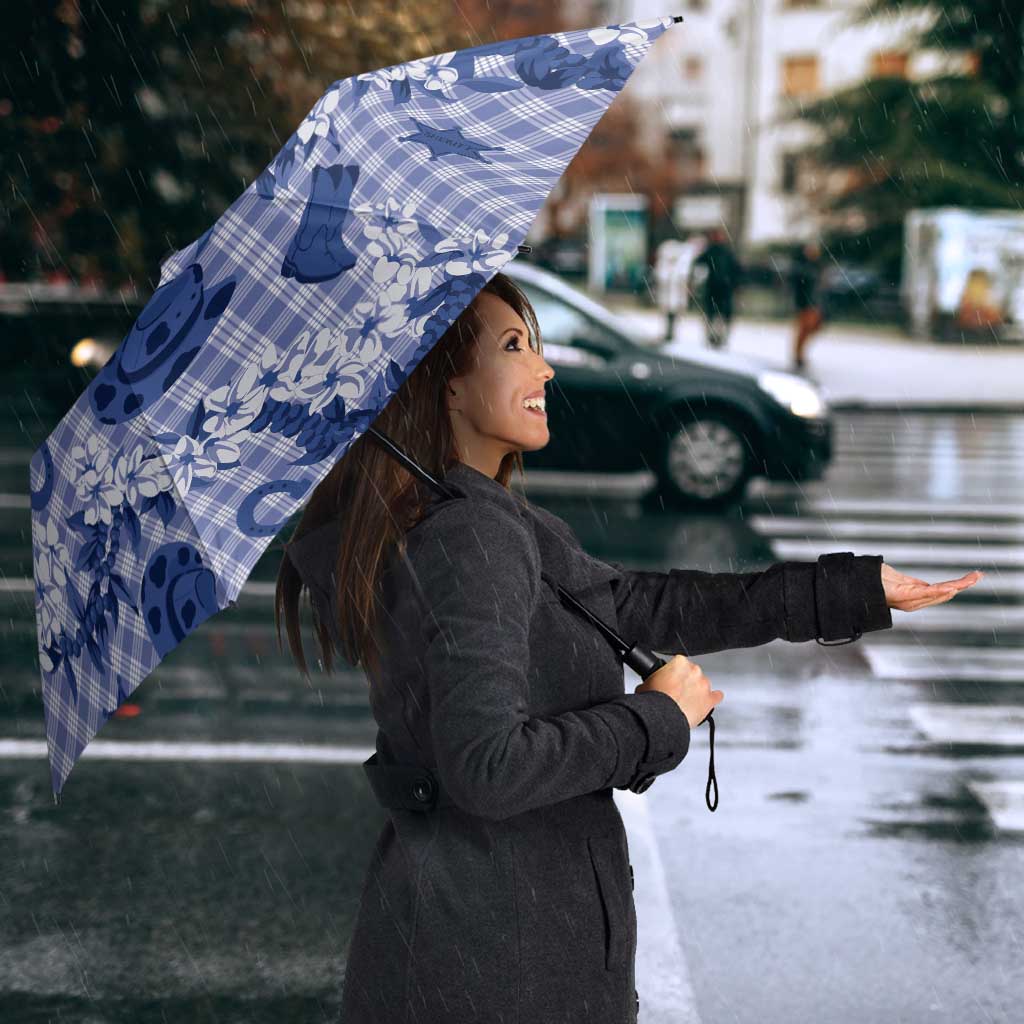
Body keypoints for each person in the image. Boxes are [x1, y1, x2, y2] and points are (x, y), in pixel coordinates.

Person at [275, 272, 982, 1024]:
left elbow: (644, 606)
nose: (544, 368)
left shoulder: (480, 519)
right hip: (496, 962)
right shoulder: (469, 536)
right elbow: (487, 767)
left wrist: (849, 590)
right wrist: (655, 719)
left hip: (480, 943)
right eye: (514, 346)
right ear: (445, 387)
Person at [692, 226, 742, 349]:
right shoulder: (712, 251)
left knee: (720, 315)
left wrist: (735, 284)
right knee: (713, 314)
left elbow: (736, 270)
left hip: (723, 288)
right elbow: (698, 264)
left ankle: (719, 337)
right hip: (715, 288)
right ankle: (713, 337)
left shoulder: (725, 252)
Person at [790, 239, 826, 370]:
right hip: (805, 303)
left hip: (814, 303)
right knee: (804, 329)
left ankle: (799, 354)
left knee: (812, 328)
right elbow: (799, 286)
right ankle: (798, 355)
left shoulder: (817, 266)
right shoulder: (802, 267)